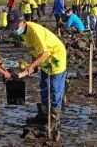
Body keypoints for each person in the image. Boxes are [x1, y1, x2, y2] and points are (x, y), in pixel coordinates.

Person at [7, 10, 67, 141]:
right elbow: (34, 49)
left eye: (16, 27)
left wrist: (32, 66)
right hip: (44, 58)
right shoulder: (24, 32)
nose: (15, 30)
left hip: (55, 56)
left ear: (23, 22)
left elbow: (44, 53)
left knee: (55, 88)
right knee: (44, 86)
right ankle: (44, 114)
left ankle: (54, 119)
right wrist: (32, 65)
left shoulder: (35, 31)